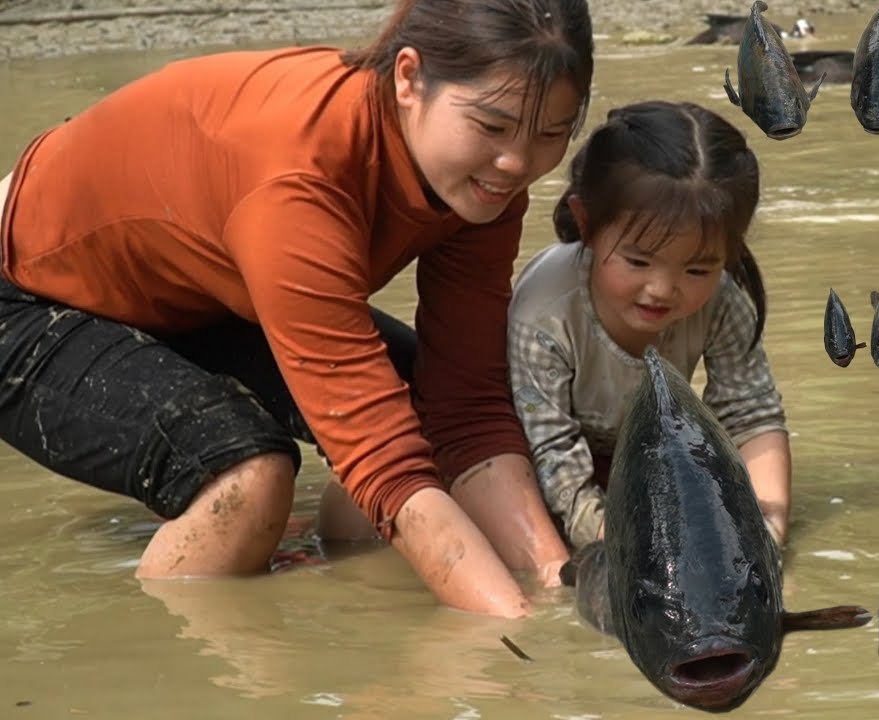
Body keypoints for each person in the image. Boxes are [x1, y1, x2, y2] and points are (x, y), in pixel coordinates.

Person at [0, 0, 594, 618]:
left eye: (551, 134)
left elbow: (466, 405)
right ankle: (166, 653)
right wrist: (521, 642)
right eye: (493, 128)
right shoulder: (300, 175)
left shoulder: (483, 181)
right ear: (410, 77)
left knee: (438, 416)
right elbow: (381, 455)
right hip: (30, 297)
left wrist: (562, 585)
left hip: (201, 296)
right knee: (246, 479)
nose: (517, 165)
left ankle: (337, 559)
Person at [506, 100, 792, 552]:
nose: (662, 289)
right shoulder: (545, 313)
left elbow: (751, 415)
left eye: (697, 269)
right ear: (586, 222)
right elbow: (554, 456)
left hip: (643, 460)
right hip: (540, 465)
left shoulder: (722, 299)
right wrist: (625, 552)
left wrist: (767, 533)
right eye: (638, 261)